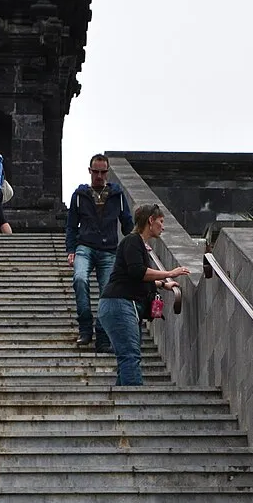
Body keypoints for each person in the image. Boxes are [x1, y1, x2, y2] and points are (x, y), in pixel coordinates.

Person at [97, 200, 190, 387]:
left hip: (121, 304)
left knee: (128, 357)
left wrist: (164, 284)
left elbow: (137, 278)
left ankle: (124, 405)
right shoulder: (132, 240)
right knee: (130, 356)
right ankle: (135, 406)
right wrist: (170, 272)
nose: (162, 227)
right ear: (150, 220)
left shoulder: (138, 243)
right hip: (119, 304)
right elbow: (137, 272)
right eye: (161, 222)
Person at [64, 154, 132, 349]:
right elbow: (71, 226)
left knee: (107, 293)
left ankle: (102, 336)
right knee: (79, 279)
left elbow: (127, 223)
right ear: (90, 171)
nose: (99, 176)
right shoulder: (79, 195)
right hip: (84, 246)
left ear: (107, 172)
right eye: (96, 172)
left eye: (103, 172)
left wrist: (139, 243)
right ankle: (85, 328)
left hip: (109, 250)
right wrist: (71, 249)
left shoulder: (117, 195)